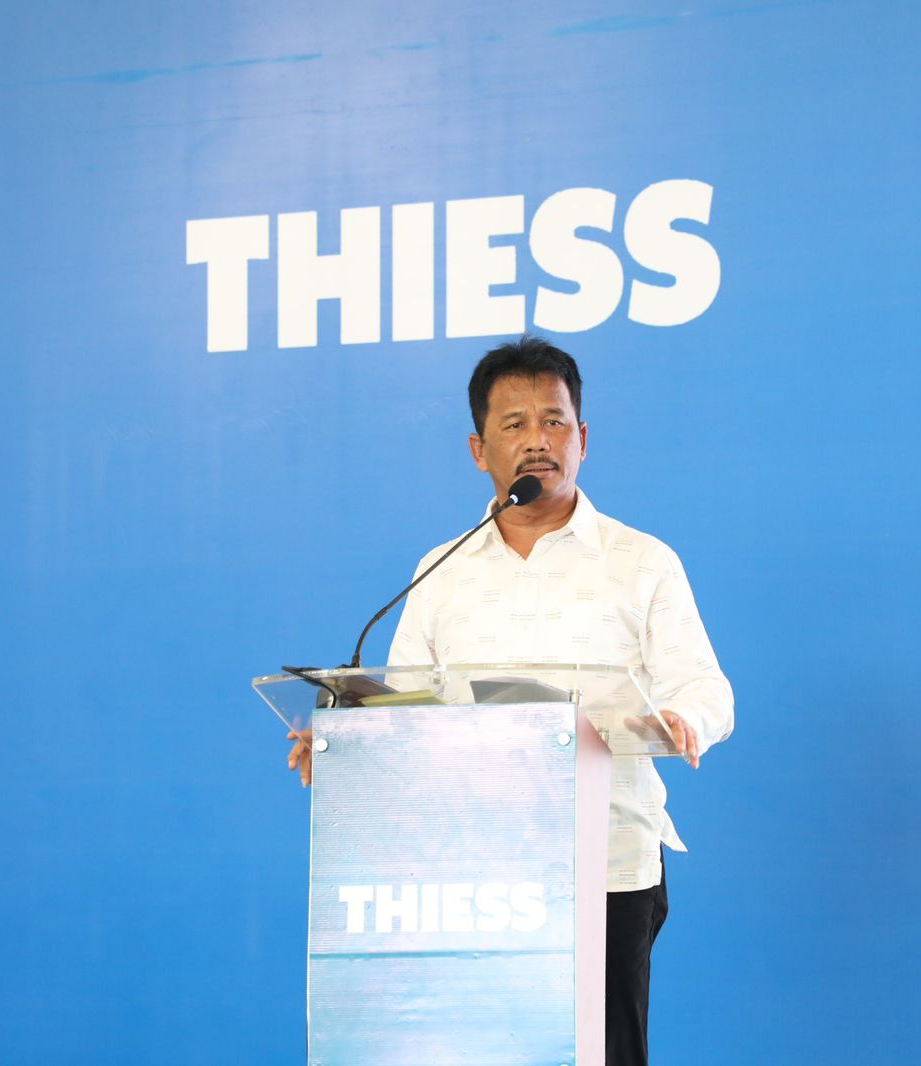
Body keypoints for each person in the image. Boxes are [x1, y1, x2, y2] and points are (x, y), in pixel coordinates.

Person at [289, 334, 733, 1066]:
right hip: (467, 865)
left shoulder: (642, 561)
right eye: (515, 424)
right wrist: (346, 744)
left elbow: (704, 686)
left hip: (606, 858)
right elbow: (402, 704)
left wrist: (685, 719)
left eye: (555, 421)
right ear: (479, 450)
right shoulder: (441, 568)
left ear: (583, 438)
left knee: (602, 1052)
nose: (538, 440)